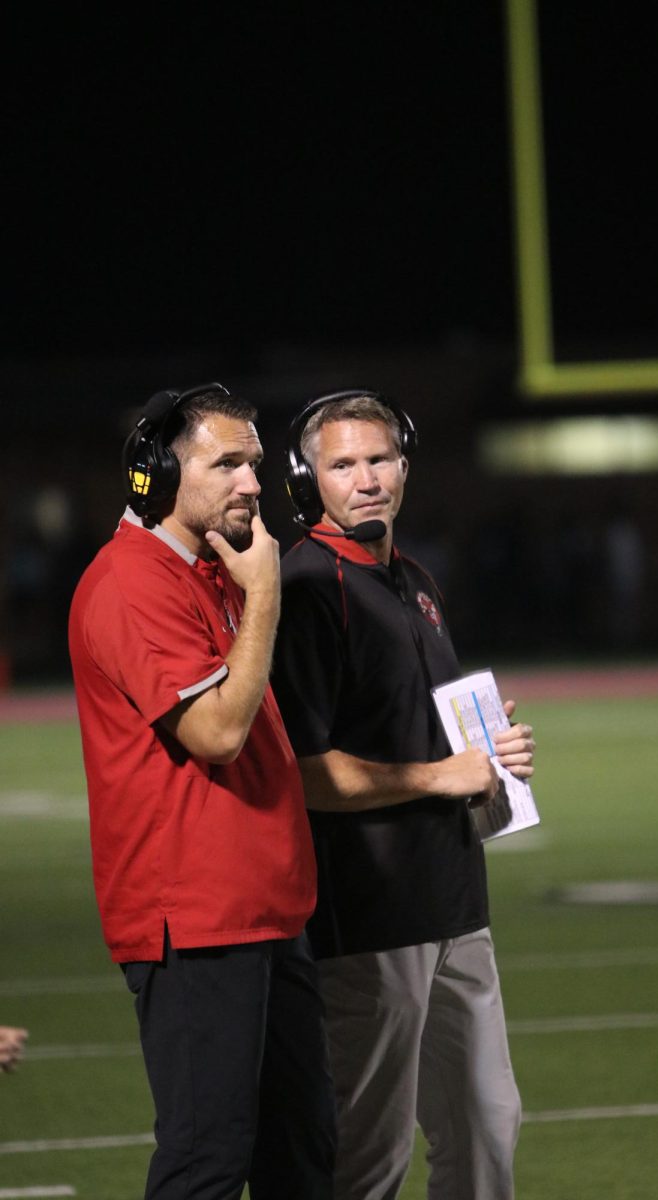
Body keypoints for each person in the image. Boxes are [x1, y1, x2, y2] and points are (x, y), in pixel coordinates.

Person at [68, 384, 335, 1200]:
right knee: (206, 1163)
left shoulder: (212, 566)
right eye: (227, 464)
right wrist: (265, 595)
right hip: (194, 918)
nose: (254, 483)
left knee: (302, 1156)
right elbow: (216, 734)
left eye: (253, 462)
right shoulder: (130, 581)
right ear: (154, 475)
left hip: (262, 907)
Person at [272, 390, 534, 1200]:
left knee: (490, 1127)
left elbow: (430, 732)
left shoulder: (413, 577)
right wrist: (438, 776)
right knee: (370, 1160)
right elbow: (304, 773)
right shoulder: (308, 587)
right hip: (371, 921)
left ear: (405, 466)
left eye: (379, 459)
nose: (366, 478)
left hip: (457, 900)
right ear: (307, 481)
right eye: (342, 464)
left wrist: (494, 754)